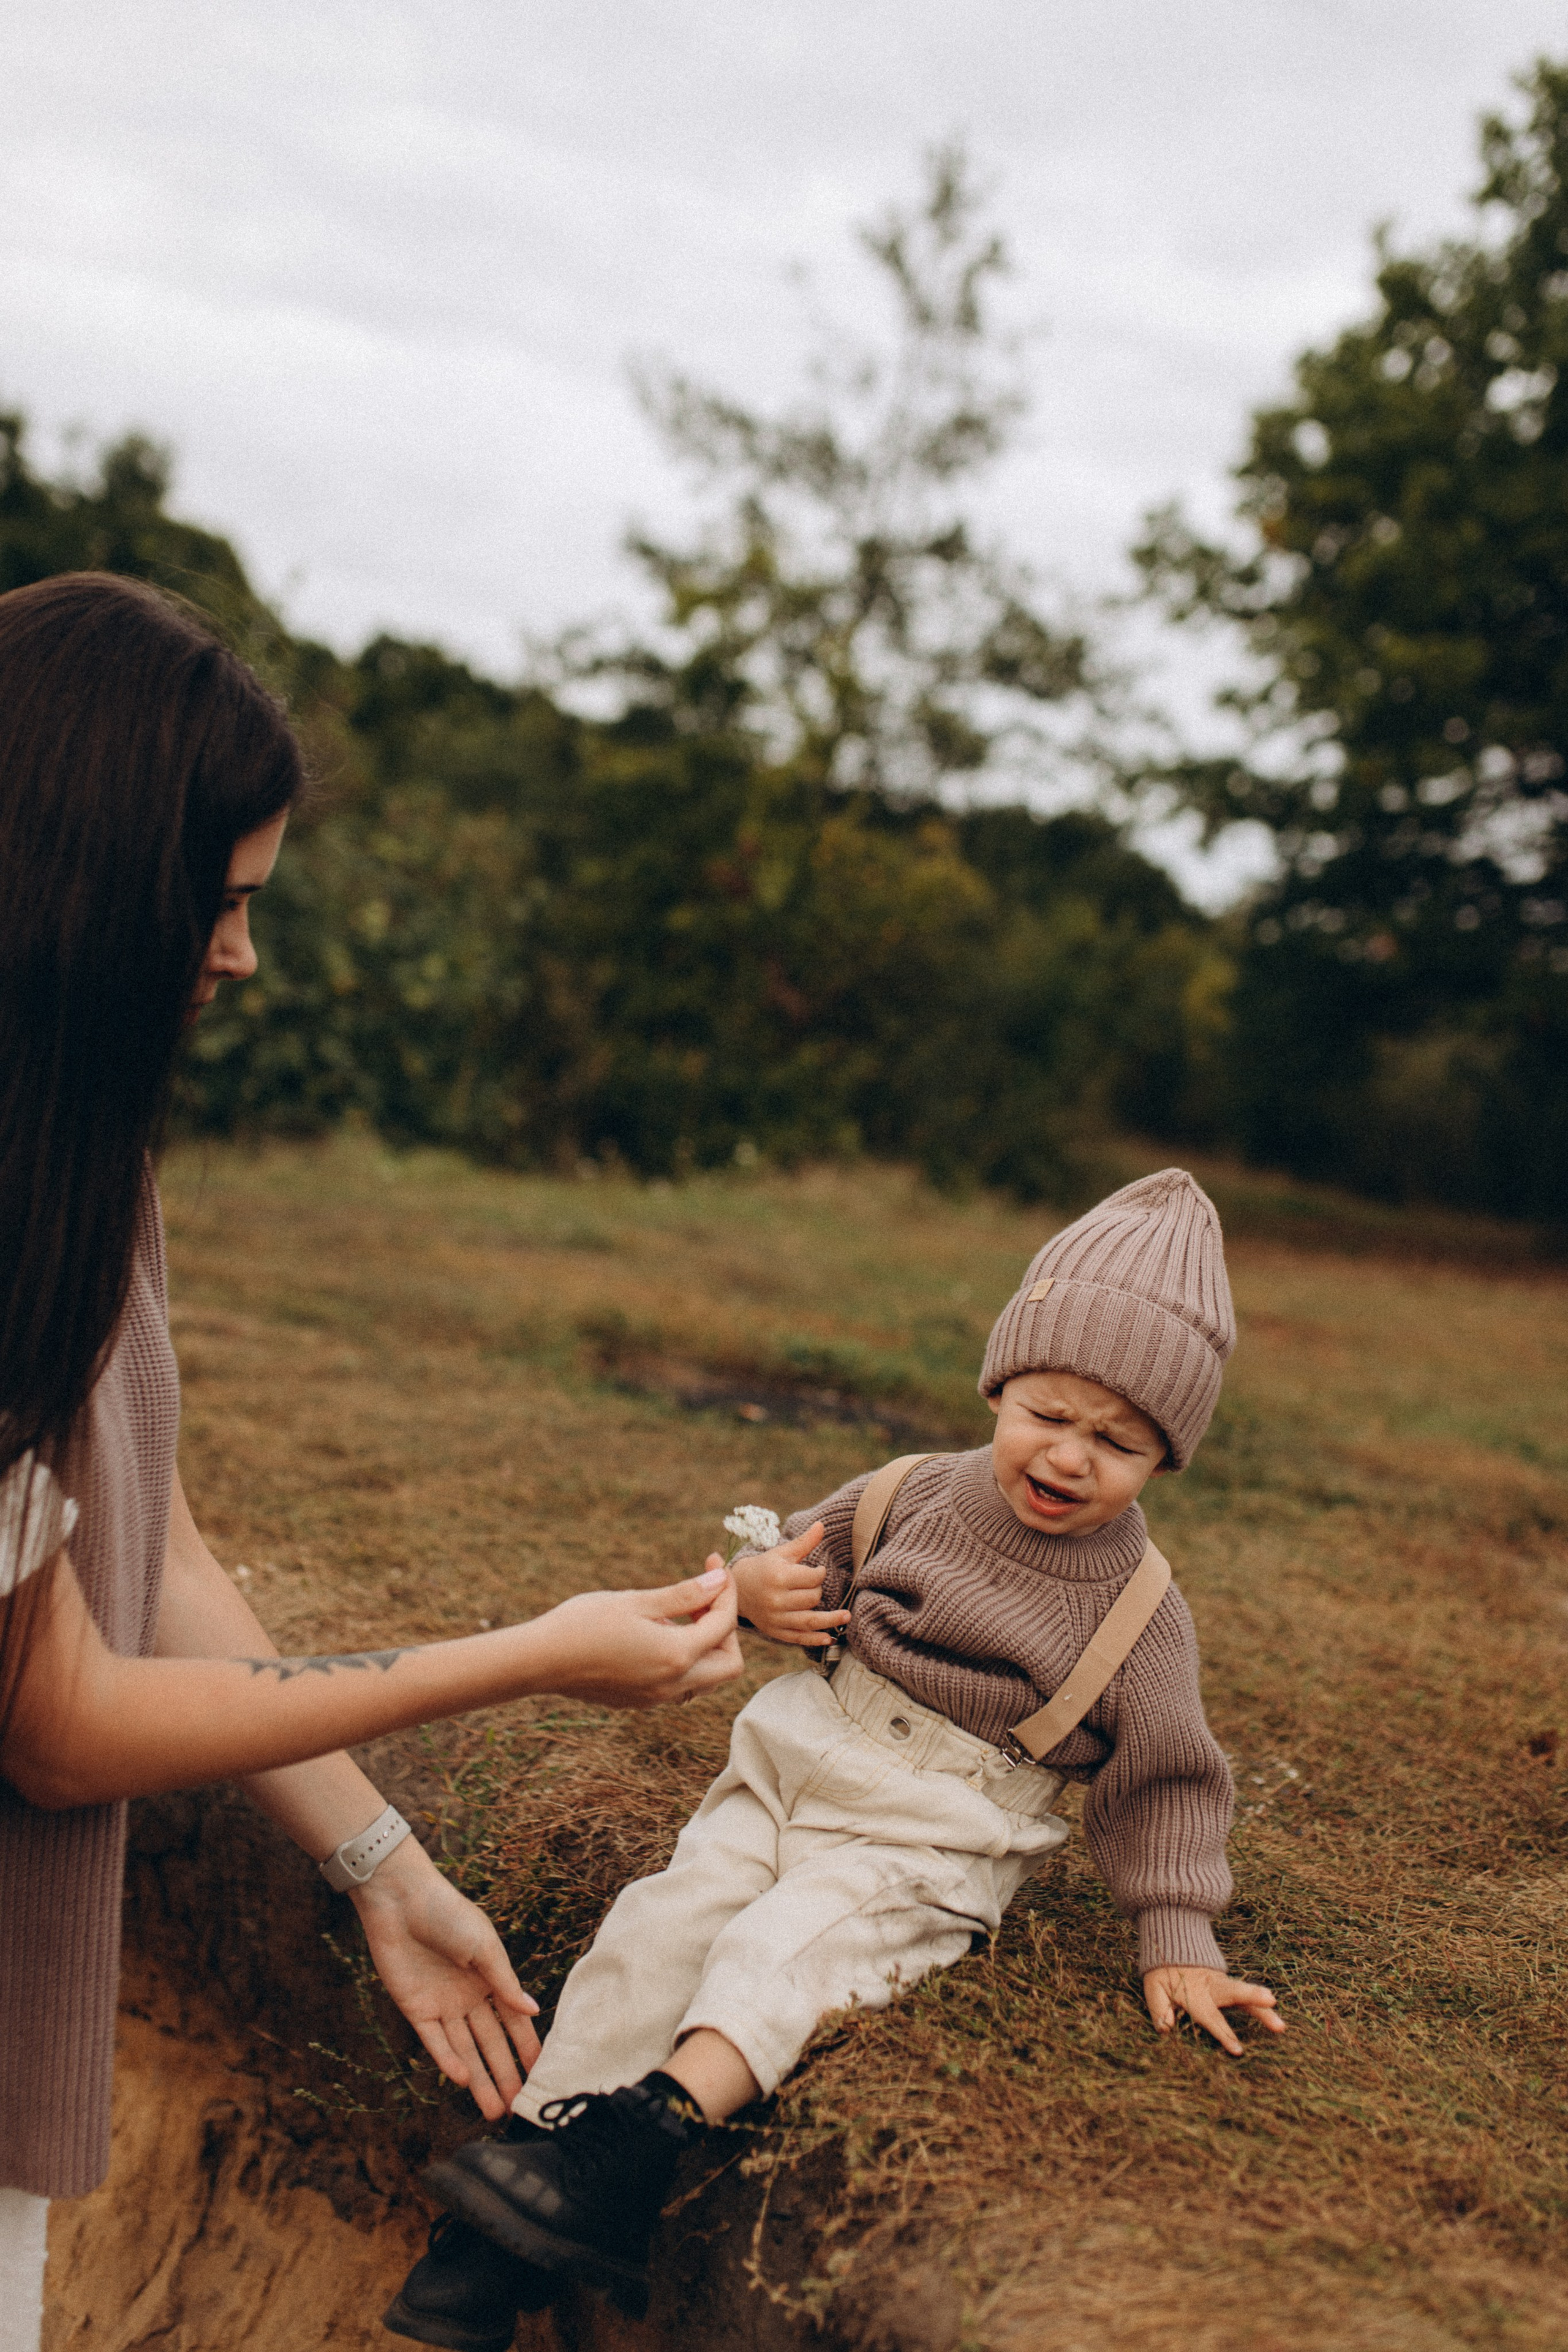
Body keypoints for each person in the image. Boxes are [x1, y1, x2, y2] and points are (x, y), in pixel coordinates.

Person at [0, 573, 742, 2352]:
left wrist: (383, 1865)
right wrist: (539, 1656)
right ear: (91, 881)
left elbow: (134, 1536)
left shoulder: (70, 1150)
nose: (246, 954)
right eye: (224, 900)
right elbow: (54, 1711)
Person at [393, 1168, 1287, 2346]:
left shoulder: (1140, 1611)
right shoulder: (905, 1493)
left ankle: (644, 2139)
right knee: (660, 1928)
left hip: (936, 1832)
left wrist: (1178, 1934)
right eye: (1048, 1413)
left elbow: (1168, 1781)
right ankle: (516, 2195)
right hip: (790, 1767)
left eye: (1117, 1441)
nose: (1070, 1456)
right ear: (1000, 1384)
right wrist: (757, 1591)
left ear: (1166, 1460)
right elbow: (778, 1574)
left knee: (786, 1949)